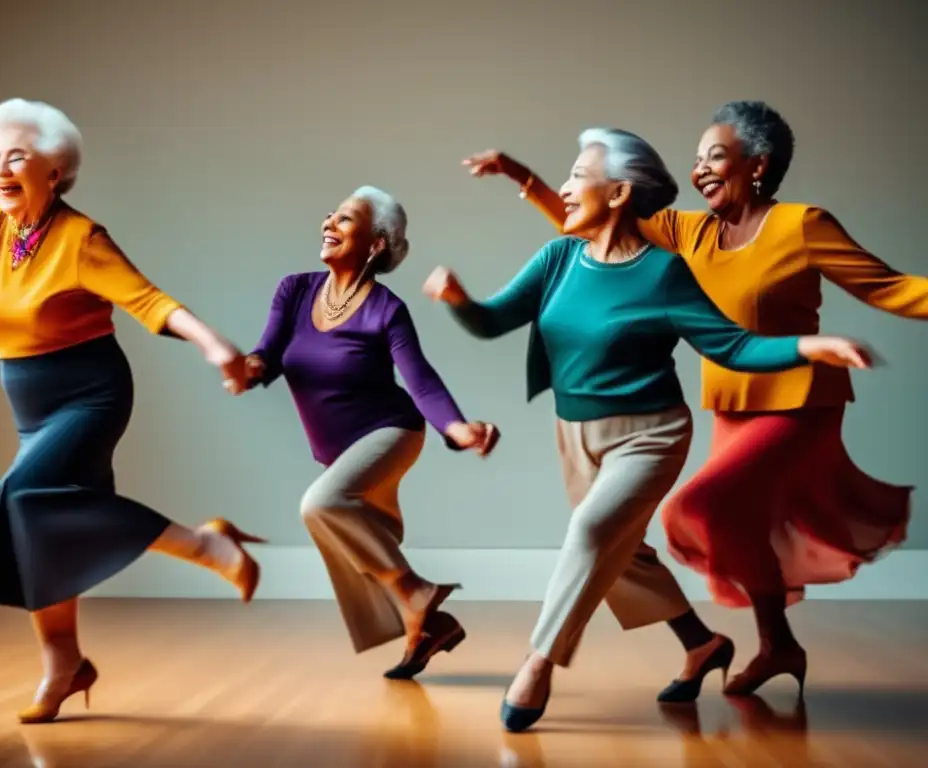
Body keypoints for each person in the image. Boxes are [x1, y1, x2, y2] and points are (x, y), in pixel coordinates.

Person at [462, 100, 925, 697]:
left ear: (756, 165)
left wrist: (817, 344)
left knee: (699, 509)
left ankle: (545, 661)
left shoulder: (802, 225)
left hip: (796, 403)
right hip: (730, 405)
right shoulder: (689, 231)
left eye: (715, 156)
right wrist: (522, 177)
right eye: (697, 159)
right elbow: (598, 221)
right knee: (727, 525)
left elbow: (887, 286)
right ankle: (764, 642)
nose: (701, 169)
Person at [0, 98, 264, 724]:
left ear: (55, 169)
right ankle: (64, 667)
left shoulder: (80, 238)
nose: (0, 169)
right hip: (29, 403)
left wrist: (217, 347)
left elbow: (149, 300)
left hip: (90, 394)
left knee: (27, 502)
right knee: (46, 531)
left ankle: (206, 547)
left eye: (17, 156)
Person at [242, 185, 500, 679]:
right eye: (329, 215)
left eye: (344, 219)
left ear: (376, 243)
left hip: (391, 432)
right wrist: (246, 366)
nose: (328, 224)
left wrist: (458, 428)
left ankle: (417, 593)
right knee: (361, 540)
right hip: (336, 454)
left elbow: (420, 379)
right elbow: (267, 354)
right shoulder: (294, 290)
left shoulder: (386, 309)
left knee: (319, 505)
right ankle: (426, 628)